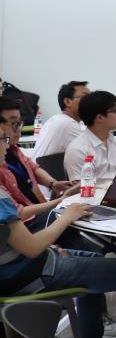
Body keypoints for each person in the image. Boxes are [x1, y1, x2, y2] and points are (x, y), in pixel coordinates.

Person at [0, 132, 116, 338]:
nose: (7, 146)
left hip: (21, 271)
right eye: (2, 140)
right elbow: (32, 248)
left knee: (96, 261)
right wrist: (66, 217)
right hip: (32, 275)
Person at [0, 99, 81, 238]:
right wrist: (60, 201)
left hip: (37, 212)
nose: (18, 129)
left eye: (20, 123)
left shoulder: (14, 150)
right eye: (14, 123)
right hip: (25, 224)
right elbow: (18, 213)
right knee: (70, 219)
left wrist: (53, 184)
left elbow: (33, 168)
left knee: (75, 215)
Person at [64, 91, 116, 182]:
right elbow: (80, 188)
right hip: (94, 191)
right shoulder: (77, 150)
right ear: (99, 118)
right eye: (115, 111)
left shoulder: (115, 142)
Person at [32, 80, 89, 158]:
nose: (91, 101)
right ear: (68, 102)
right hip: (46, 166)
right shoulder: (67, 124)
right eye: (86, 97)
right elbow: (97, 154)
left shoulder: (57, 119)